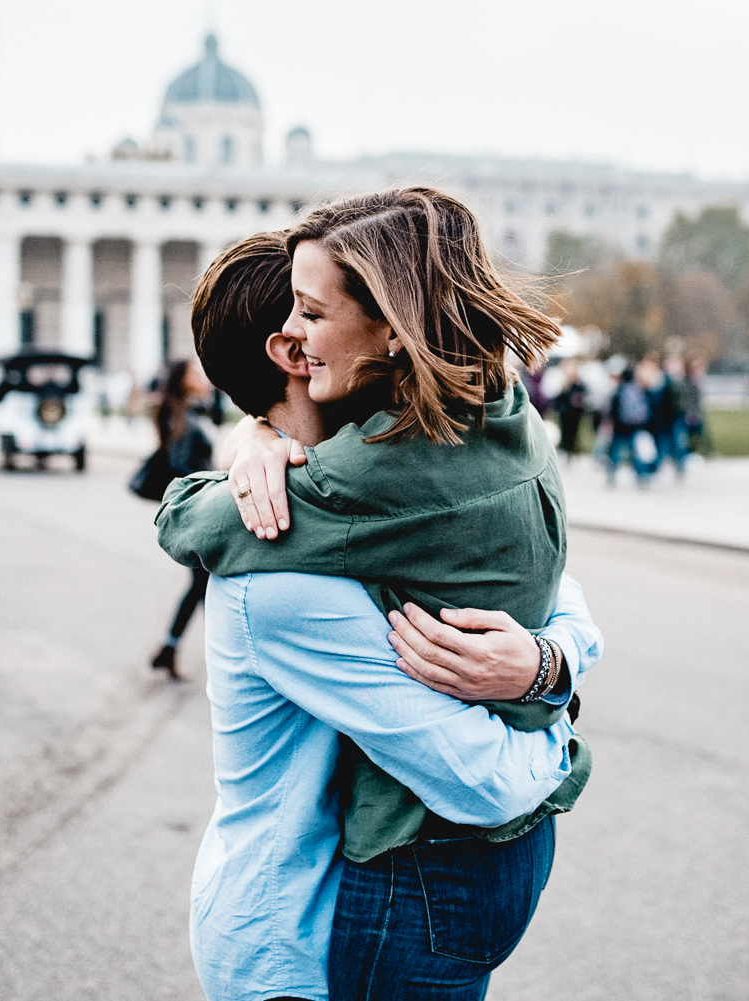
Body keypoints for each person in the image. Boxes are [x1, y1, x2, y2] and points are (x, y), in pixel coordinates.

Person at [160, 192, 600, 1001]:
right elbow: (486, 779)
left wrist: (545, 664)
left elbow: (182, 516)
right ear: (289, 355)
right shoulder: (496, 417)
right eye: (297, 317)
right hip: (286, 936)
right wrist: (557, 707)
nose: (303, 331)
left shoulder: (368, 492)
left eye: (312, 311)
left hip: (375, 888)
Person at [148, 359, 217, 678]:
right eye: (194, 373)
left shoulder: (188, 411)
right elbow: (180, 465)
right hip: (197, 512)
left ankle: (170, 647)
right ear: (182, 380)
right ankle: (216, 651)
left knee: (201, 586)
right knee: (204, 586)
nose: (201, 377)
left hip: (196, 510)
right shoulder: (178, 416)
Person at [606, 364, 652, 487]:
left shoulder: (619, 389)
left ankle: (611, 475)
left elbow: (612, 409)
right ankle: (641, 476)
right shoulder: (638, 389)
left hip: (620, 426)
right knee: (636, 451)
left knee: (615, 451)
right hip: (635, 425)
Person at [551, 358, 588, 461]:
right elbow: (559, 397)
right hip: (566, 411)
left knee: (574, 432)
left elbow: (583, 393)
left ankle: (570, 451)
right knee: (565, 431)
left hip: (575, 412)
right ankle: (565, 450)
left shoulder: (579, 382)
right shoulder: (564, 382)